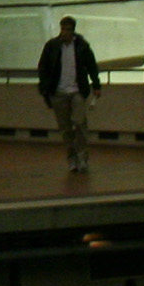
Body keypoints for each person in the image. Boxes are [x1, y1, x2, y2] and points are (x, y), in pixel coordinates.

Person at [37, 16, 101, 174]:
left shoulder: (82, 47)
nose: (64, 33)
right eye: (63, 29)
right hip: (58, 93)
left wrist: (96, 85)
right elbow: (43, 67)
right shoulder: (52, 46)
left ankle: (82, 158)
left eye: (68, 30)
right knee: (65, 129)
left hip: (77, 91)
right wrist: (45, 89)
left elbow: (91, 66)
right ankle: (71, 159)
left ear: (73, 30)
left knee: (80, 123)